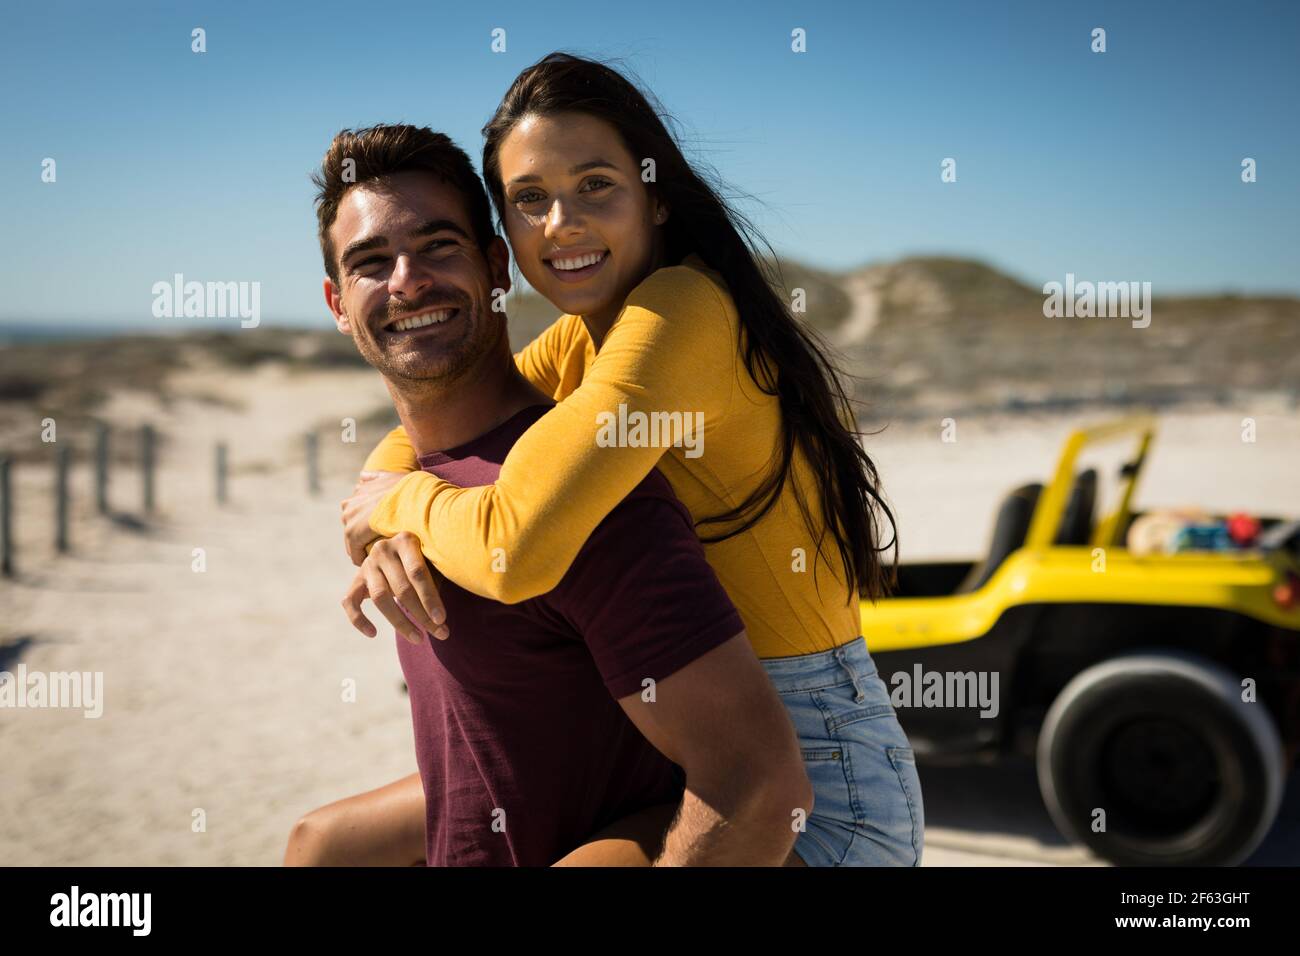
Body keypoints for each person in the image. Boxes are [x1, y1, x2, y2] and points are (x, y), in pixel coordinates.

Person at [341, 52, 924, 867]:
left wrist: (399, 508)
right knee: (326, 844)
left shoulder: (678, 313)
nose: (562, 224)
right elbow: (434, 429)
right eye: (530, 200)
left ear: (654, 194)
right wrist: (381, 505)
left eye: (595, 187)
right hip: (694, 732)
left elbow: (518, 547)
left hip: (815, 775)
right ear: (505, 231)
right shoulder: (590, 335)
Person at [286, 124, 810, 867]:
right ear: (339, 305)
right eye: (372, 263)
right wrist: (389, 512)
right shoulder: (408, 491)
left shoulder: (579, 498)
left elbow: (759, 786)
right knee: (315, 845)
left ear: (497, 266)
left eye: (439, 246)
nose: (407, 281)